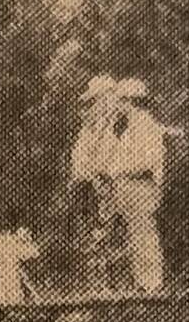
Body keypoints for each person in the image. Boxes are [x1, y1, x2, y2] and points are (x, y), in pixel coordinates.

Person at [68, 74, 168, 293]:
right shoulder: (111, 127)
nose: (116, 104)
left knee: (142, 234)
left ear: (131, 101)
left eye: (121, 100)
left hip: (140, 187)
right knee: (112, 238)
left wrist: (113, 172)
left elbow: (145, 162)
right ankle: (117, 286)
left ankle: (150, 285)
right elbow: (91, 161)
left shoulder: (146, 126)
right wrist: (99, 175)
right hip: (116, 188)